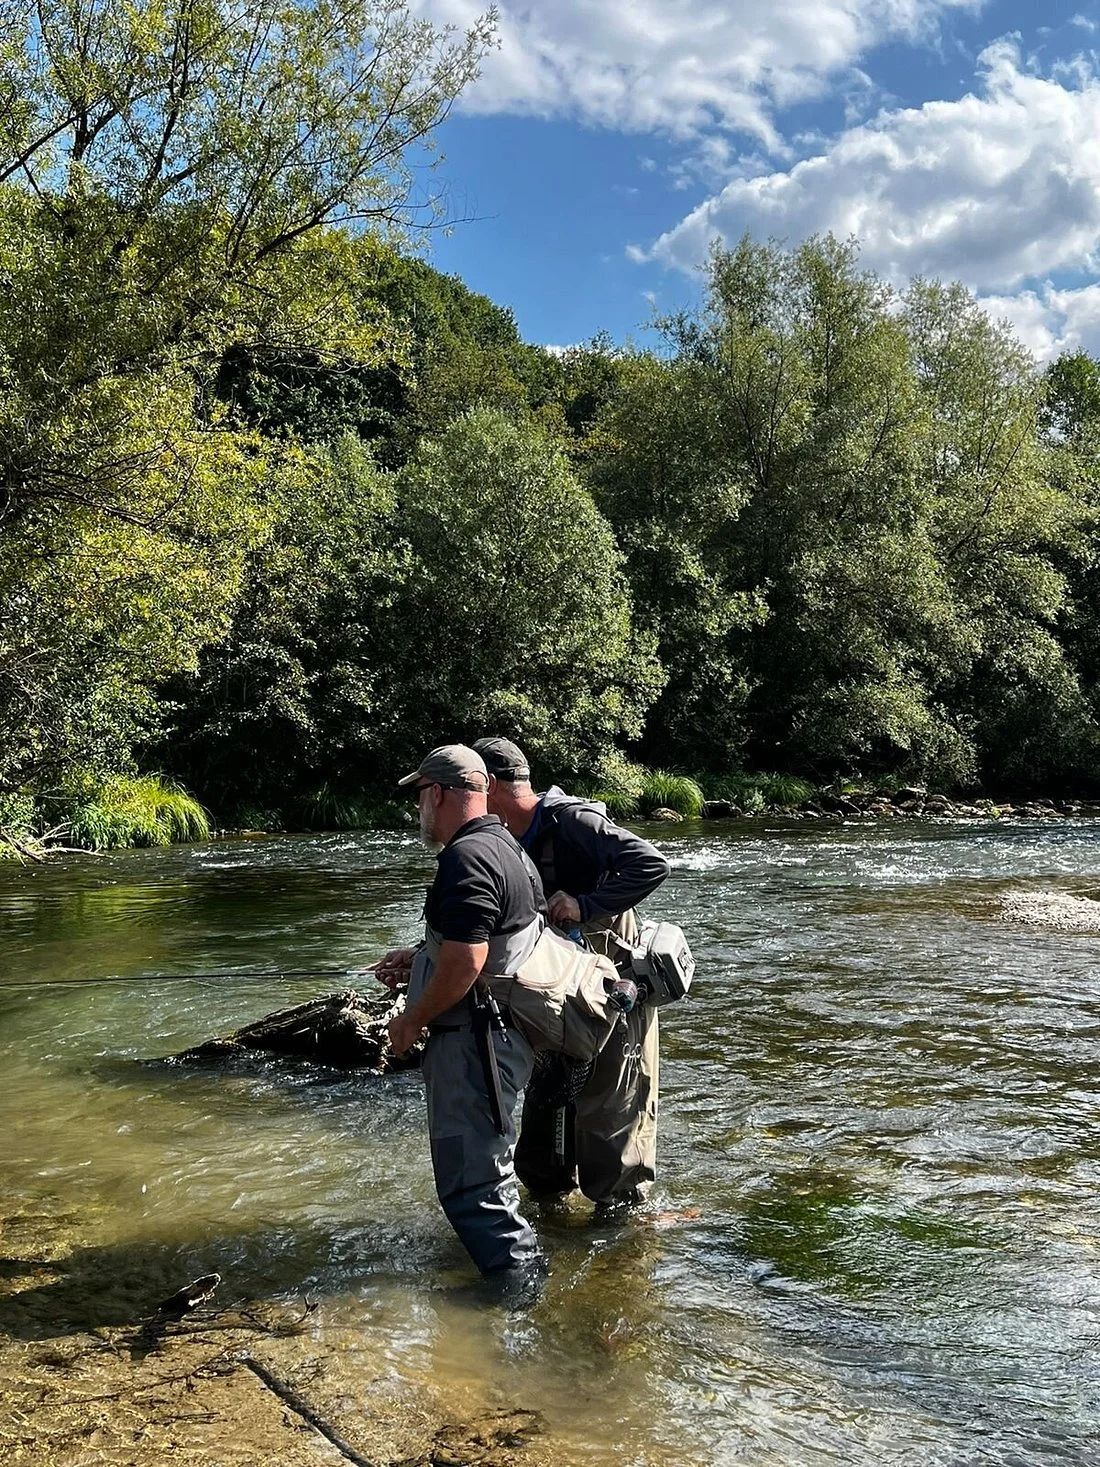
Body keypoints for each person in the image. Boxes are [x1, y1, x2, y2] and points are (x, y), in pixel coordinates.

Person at [375, 743, 548, 1292]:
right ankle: (518, 1285)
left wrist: (411, 1019)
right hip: (501, 1035)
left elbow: (470, 960)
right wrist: (421, 960)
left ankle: (515, 1305)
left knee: (474, 1187)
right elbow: (488, 942)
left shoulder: (466, 858)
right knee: (483, 1175)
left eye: (421, 796)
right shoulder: (505, 845)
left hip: (477, 1044)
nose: (418, 810)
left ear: (442, 793)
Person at [472, 737, 670, 1213]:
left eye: (474, 788)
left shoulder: (574, 821)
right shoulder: (500, 839)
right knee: (550, 1091)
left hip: (614, 983)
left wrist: (585, 905)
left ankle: (622, 1223)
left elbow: (651, 863)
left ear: (492, 785)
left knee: (612, 1097)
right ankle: (550, 1201)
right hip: (550, 986)